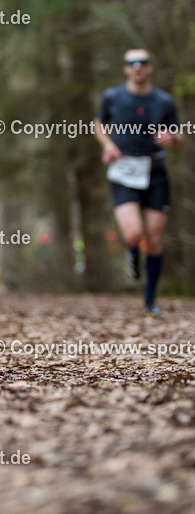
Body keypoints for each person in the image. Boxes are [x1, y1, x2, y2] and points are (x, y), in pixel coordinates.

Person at [93, 48, 183, 316]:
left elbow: (179, 134)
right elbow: (99, 124)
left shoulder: (164, 101)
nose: (137, 67)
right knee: (133, 234)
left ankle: (150, 299)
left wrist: (173, 138)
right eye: (132, 63)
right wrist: (108, 145)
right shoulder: (113, 97)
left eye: (142, 62)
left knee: (154, 240)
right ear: (125, 68)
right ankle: (131, 252)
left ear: (150, 67)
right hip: (124, 171)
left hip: (155, 172)